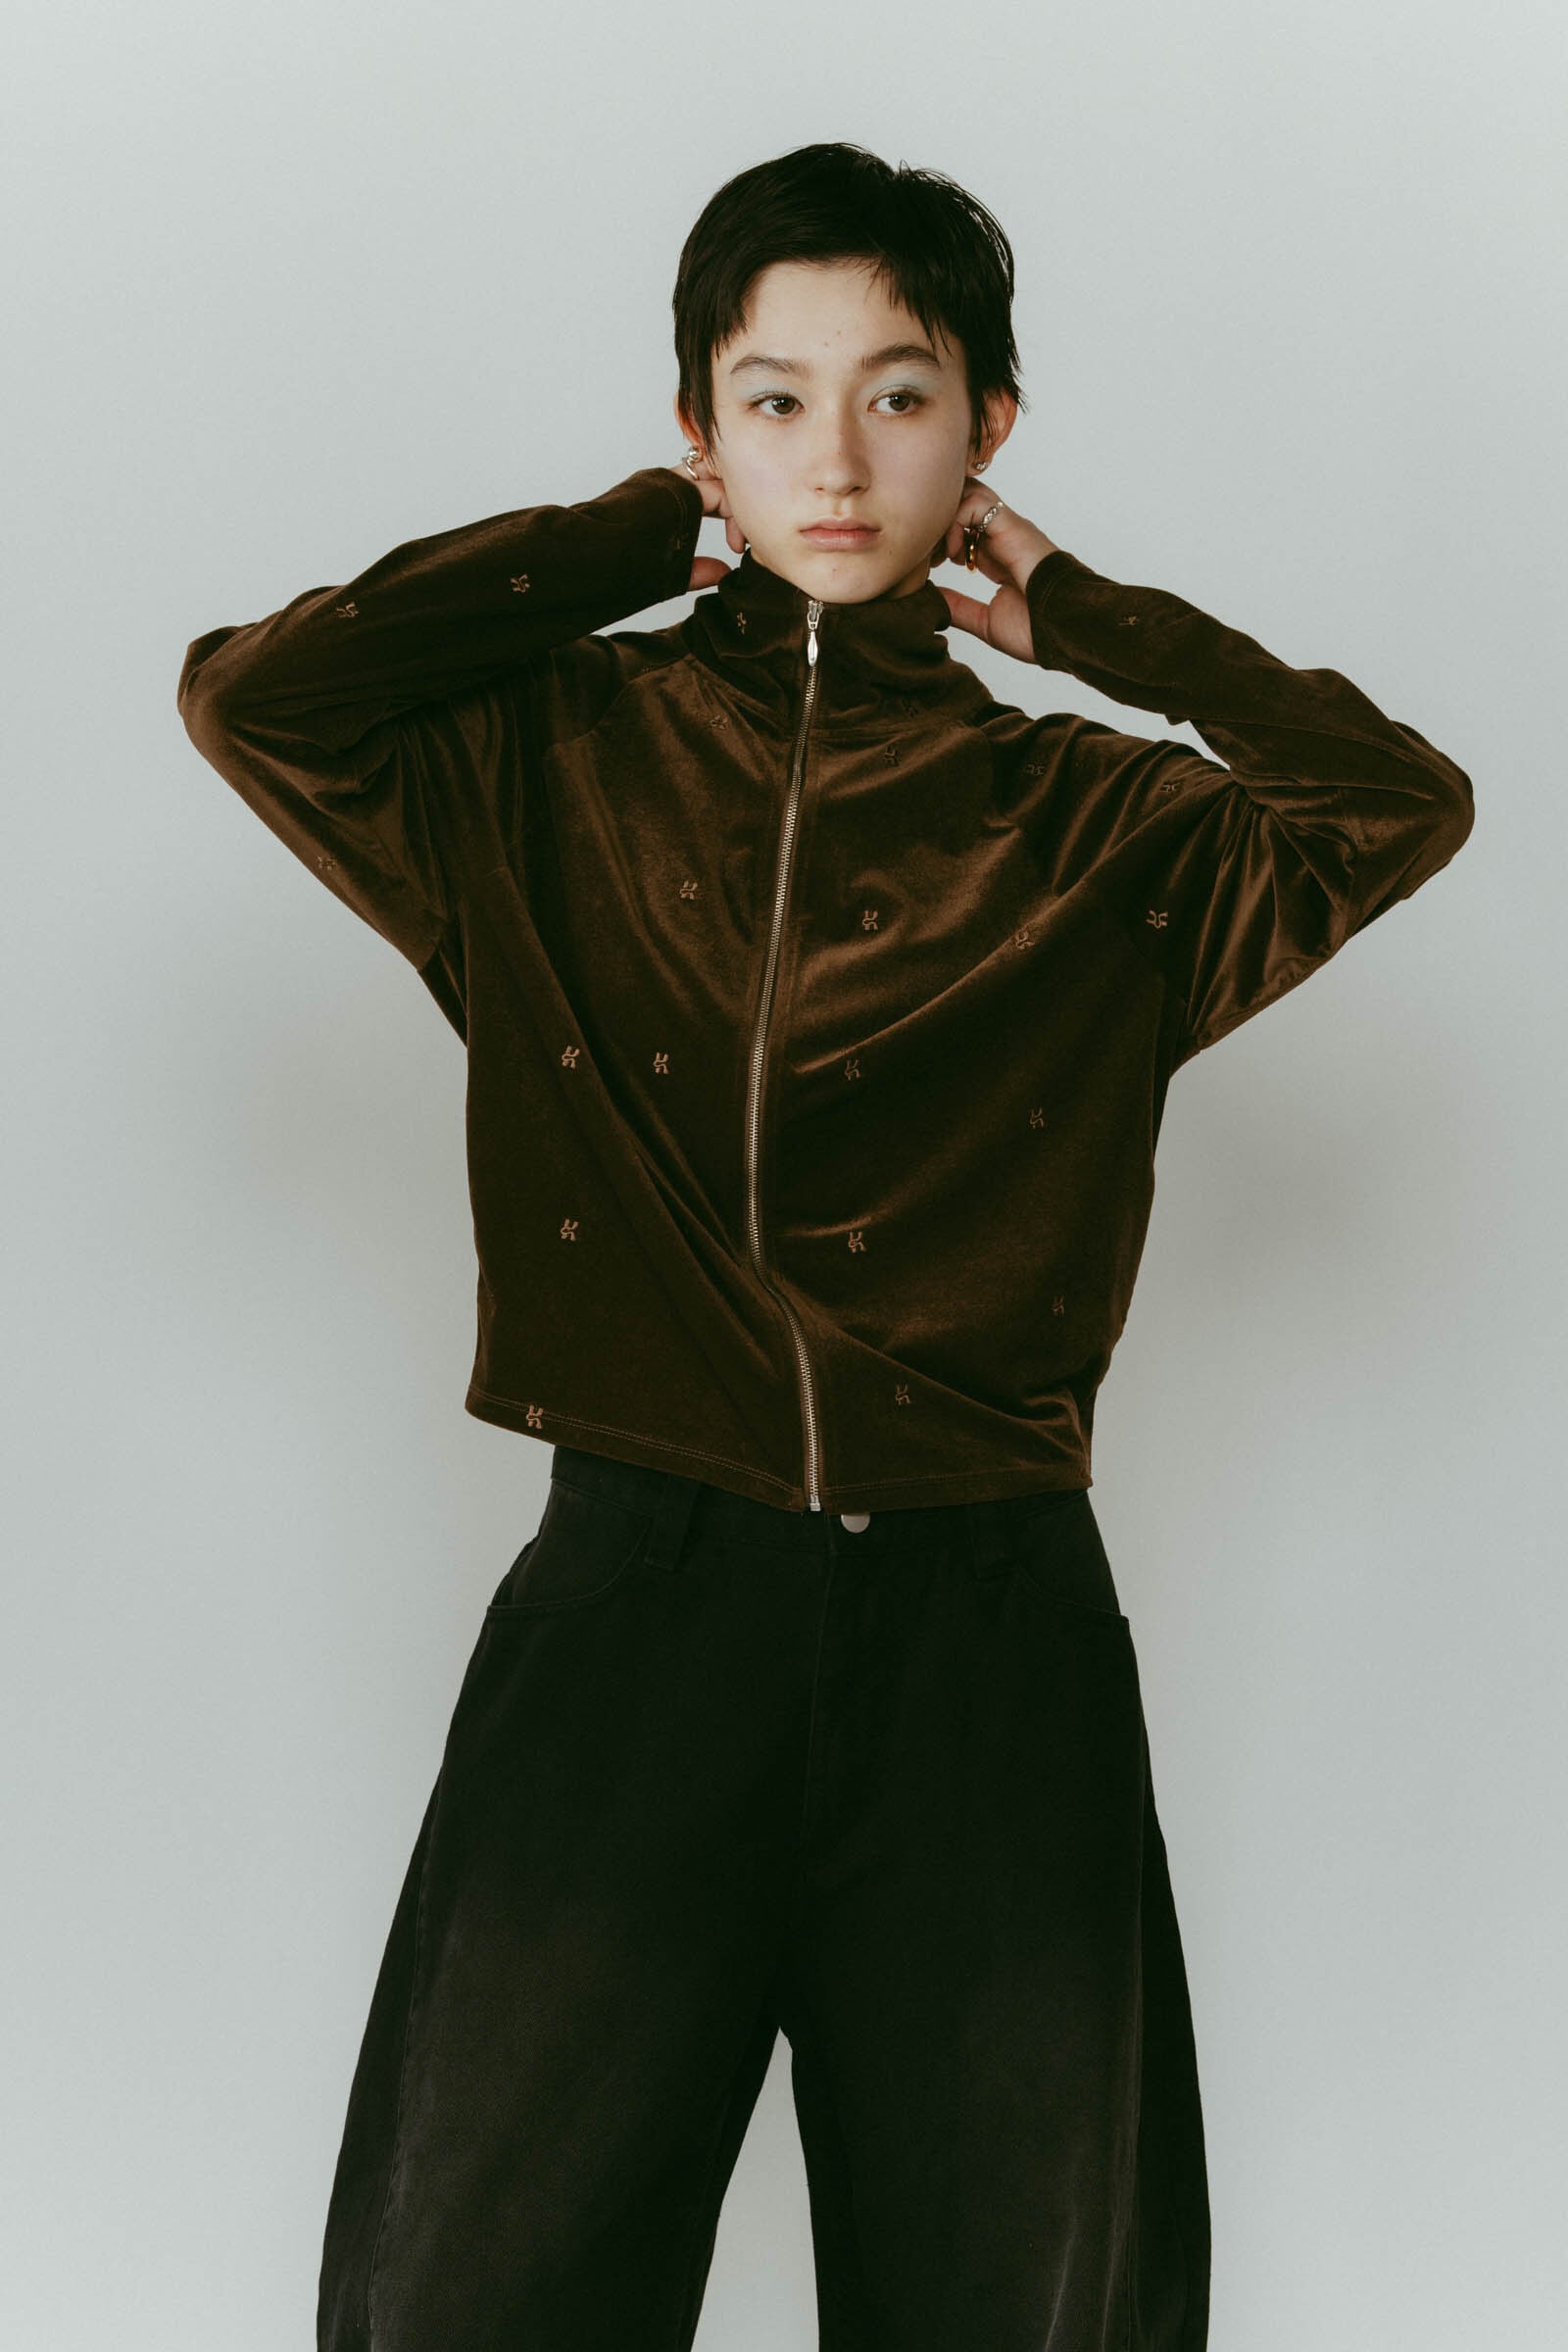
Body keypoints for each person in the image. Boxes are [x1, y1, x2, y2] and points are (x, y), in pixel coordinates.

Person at [177, 141, 1472, 2352]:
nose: (838, 459)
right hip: (633, 1615)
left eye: (898, 394)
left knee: (1029, 2311)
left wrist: (1098, 628)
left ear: (986, 429)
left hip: (991, 1640)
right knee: (462, 2304)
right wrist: (617, 545)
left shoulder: (1092, 832)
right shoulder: (536, 770)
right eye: (772, 400)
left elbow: (1393, 802)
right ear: (701, 427)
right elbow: (254, 700)